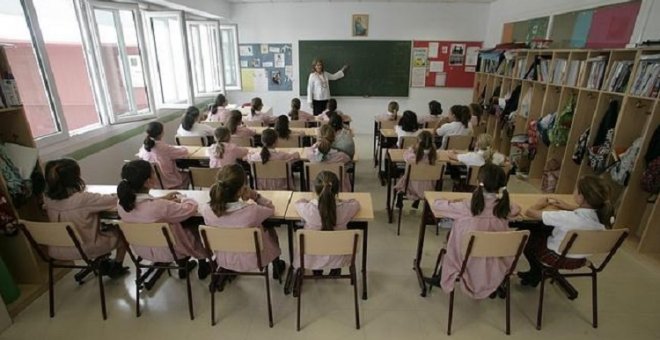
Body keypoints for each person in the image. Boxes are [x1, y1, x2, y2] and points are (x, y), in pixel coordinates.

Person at [429, 164, 521, 299]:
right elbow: (516, 209)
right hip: (496, 264)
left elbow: (437, 204)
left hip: (466, 263)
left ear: (478, 182)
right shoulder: (504, 207)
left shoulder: (468, 206)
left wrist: (452, 200)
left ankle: (440, 276)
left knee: (451, 239)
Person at [117, 160, 211, 279]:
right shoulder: (159, 207)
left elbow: (144, 205)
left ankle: (183, 266)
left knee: (175, 229)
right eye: (153, 173)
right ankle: (202, 263)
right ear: (147, 182)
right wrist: (183, 198)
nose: (156, 174)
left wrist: (162, 199)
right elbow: (191, 208)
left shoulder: (121, 205)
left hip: (142, 249)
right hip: (171, 250)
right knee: (197, 225)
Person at [519, 175, 612, 287]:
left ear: (581, 197)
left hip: (554, 258)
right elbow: (585, 215)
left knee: (525, 232)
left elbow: (530, 212)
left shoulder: (566, 217)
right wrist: (569, 207)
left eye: (576, 189)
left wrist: (539, 204)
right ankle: (535, 274)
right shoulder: (605, 219)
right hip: (579, 259)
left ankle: (535, 274)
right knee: (547, 228)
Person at [199, 164, 285, 283]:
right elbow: (270, 209)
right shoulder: (251, 212)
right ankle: (276, 265)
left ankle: (227, 270)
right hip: (253, 259)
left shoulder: (206, 210)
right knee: (269, 228)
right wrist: (255, 195)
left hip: (224, 258)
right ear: (241, 190)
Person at [43, 159, 128, 278]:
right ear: (75, 178)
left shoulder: (47, 199)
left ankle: (103, 262)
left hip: (57, 250)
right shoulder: (83, 199)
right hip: (84, 248)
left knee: (98, 228)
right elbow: (114, 200)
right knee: (121, 233)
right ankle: (116, 267)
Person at [293, 171, 360, 276]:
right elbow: (356, 203)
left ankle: (317, 269)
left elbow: (297, 203)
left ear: (316, 190)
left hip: (312, 255)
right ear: (337, 191)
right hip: (338, 255)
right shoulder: (345, 209)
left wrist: (308, 200)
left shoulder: (308, 209)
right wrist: (341, 200)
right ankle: (335, 269)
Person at [137, 121, 190, 189]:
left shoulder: (144, 147)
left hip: (154, 183)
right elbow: (184, 152)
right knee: (188, 175)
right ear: (161, 133)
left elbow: (140, 155)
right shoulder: (164, 148)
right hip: (169, 182)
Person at [393, 131, 438, 209]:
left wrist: (411, 149)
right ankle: (416, 202)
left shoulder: (412, 157)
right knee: (421, 177)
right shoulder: (434, 157)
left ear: (418, 142)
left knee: (404, 179)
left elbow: (405, 156)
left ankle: (400, 197)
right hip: (429, 189)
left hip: (412, 188)